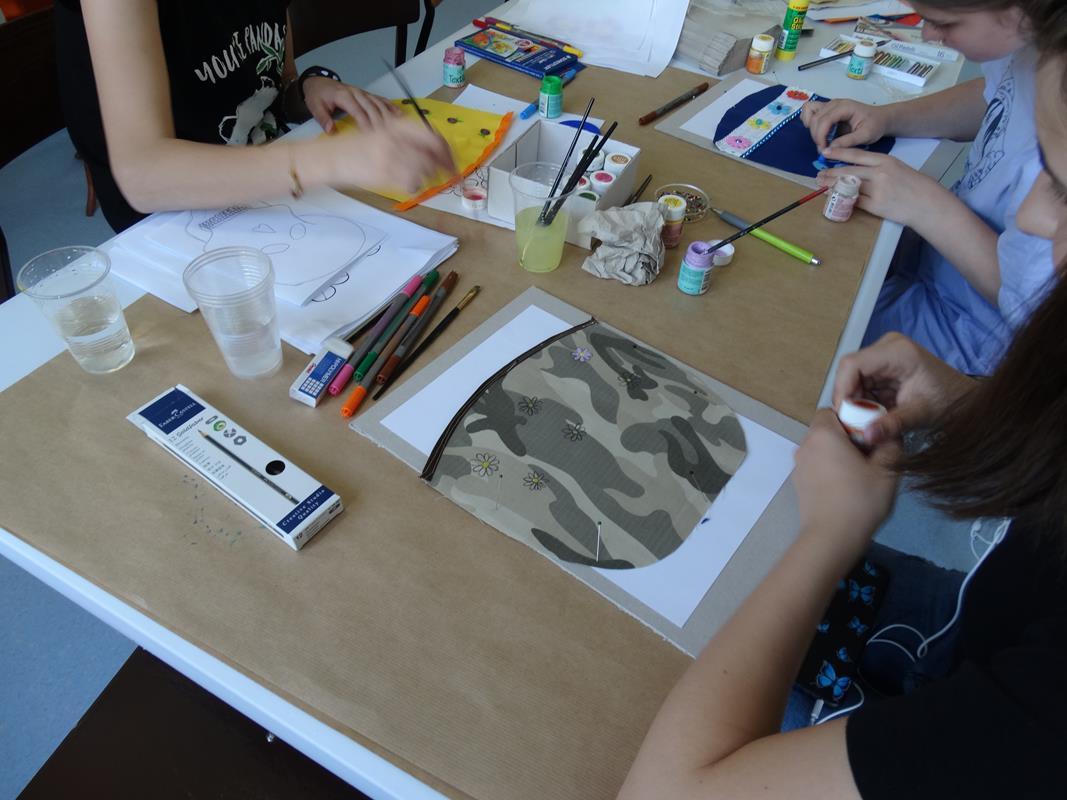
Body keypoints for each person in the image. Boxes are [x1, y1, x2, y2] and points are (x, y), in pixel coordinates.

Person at [618, 1, 1067, 795]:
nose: (1028, 216)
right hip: (970, 623)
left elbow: (665, 791)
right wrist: (967, 405)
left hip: (957, 689)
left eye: (1060, 187)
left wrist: (831, 533)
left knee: (640, 663)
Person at [801, 0, 1053, 376]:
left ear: (1022, 10)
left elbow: (1035, 306)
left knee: (795, 329)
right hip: (932, 265)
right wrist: (888, 117)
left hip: (970, 336)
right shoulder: (1034, 44)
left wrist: (926, 205)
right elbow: (998, 94)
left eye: (943, 22)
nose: (928, 34)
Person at [54, 1, 454, 233]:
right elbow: (144, 175)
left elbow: (272, 87)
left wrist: (309, 87)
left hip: (268, 195)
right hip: (173, 226)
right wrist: (336, 159)